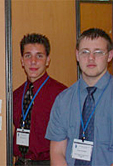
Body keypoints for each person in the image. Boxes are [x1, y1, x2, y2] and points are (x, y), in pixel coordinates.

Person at [45, 28, 113, 166]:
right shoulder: (63, 100)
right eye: (85, 52)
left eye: (98, 52)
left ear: (109, 55)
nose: (91, 58)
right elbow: (57, 152)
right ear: (77, 55)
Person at [13, 33, 67, 166]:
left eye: (39, 56)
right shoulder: (15, 95)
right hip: (19, 162)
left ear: (48, 60)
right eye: (28, 56)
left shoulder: (62, 94)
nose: (33, 61)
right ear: (21, 60)